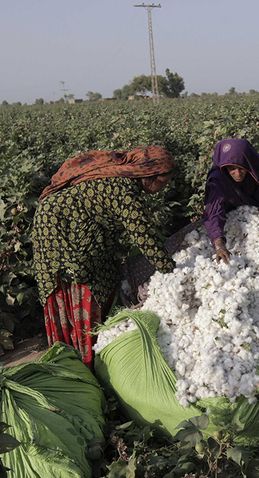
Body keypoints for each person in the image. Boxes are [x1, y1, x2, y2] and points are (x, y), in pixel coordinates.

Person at [32, 147, 176, 368]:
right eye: (163, 182)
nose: (164, 187)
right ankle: (83, 360)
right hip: (58, 227)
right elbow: (144, 237)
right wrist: (172, 271)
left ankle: (86, 355)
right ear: (148, 177)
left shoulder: (125, 181)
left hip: (67, 221)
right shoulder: (125, 189)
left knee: (104, 274)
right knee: (86, 281)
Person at [204, 139, 259, 263]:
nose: (237, 174)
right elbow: (214, 215)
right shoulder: (219, 182)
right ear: (224, 167)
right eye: (232, 168)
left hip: (256, 220)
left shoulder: (256, 174)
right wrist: (219, 245)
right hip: (227, 223)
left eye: (242, 168)